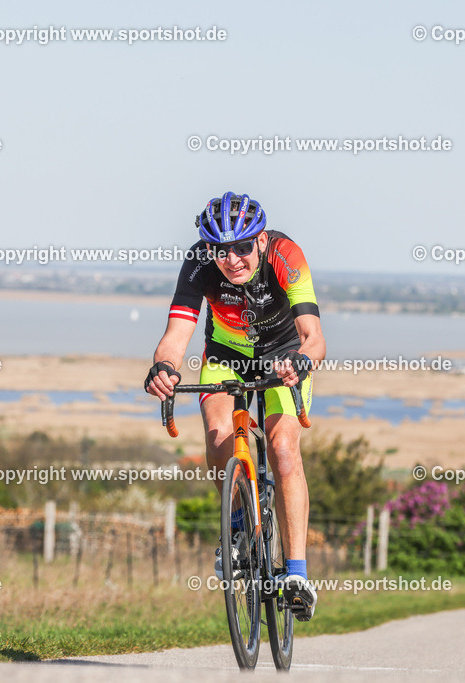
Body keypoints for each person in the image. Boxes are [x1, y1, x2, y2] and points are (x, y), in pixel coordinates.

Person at [144, 191, 325, 621]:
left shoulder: (286, 255)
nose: (232, 259)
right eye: (221, 250)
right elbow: (175, 335)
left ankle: (296, 574)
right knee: (218, 434)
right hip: (227, 355)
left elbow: (314, 337)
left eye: (242, 247)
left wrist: (301, 360)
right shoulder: (199, 262)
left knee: (282, 449)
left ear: (260, 241)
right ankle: (240, 525)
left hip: (284, 356)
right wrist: (164, 368)